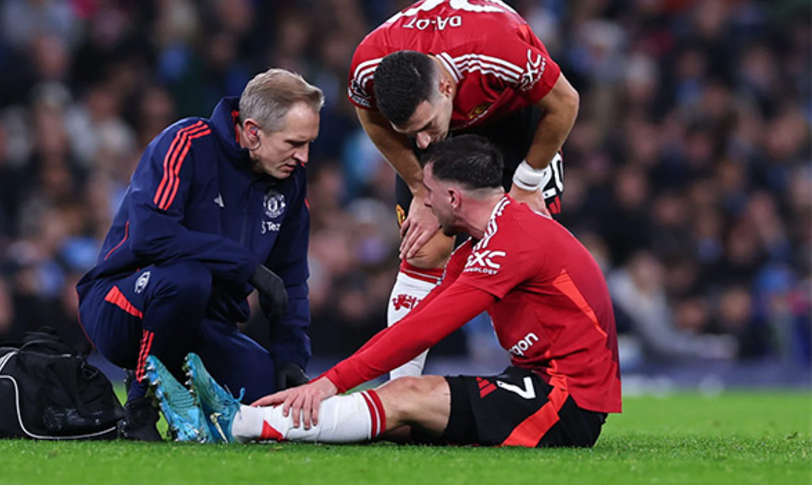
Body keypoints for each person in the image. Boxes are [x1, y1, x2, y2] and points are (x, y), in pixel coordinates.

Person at [146, 135, 621, 448]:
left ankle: (233, 424)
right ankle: (244, 417)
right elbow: (417, 322)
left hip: (568, 400)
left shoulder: (512, 244)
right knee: (397, 413)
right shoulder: (482, 243)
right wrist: (339, 380)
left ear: (454, 199)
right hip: (540, 379)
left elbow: (426, 330)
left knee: (408, 395)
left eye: (427, 192)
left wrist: (330, 381)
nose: (423, 202)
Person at [76, 68, 323, 441]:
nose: (303, 157)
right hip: (122, 303)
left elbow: (290, 277)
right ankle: (141, 407)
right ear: (253, 132)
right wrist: (246, 267)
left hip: (206, 325)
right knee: (187, 279)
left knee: (271, 396)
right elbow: (151, 238)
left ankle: (186, 387)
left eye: (309, 144)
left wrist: (291, 356)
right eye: (293, 143)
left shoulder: (289, 180)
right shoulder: (186, 142)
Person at [348, 0, 580, 378]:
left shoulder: (495, 48)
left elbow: (565, 103)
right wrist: (420, 186)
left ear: (445, 88)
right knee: (422, 248)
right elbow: (370, 118)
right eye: (410, 133)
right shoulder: (369, 66)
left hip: (513, 120)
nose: (421, 142)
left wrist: (527, 181)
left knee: (528, 253)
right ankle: (400, 391)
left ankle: (554, 381)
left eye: (423, 128)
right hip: (452, 131)